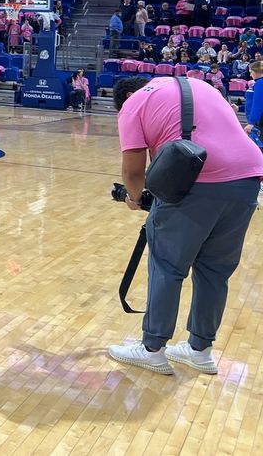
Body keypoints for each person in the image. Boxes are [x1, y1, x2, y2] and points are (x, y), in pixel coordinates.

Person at [108, 75, 263, 374]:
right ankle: (200, 350)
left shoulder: (134, 103)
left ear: (128, 94)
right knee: (215, 271)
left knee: (167, 266)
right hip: (248, 179)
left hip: (197, 181)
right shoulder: (201, 85)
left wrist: (136, 199)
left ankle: (152, 349)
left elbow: (133, 172)